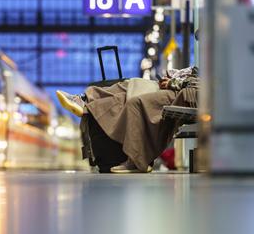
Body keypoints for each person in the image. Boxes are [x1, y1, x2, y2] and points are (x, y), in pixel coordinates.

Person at [56, 67, 199, 173]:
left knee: (134, 102)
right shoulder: (210, 64)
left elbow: (198, 85)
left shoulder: (213, 70)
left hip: (182, 91)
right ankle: (84, 98)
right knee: (128, 85)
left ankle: (136, 161)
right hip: (176, 86)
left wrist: (173, 82)